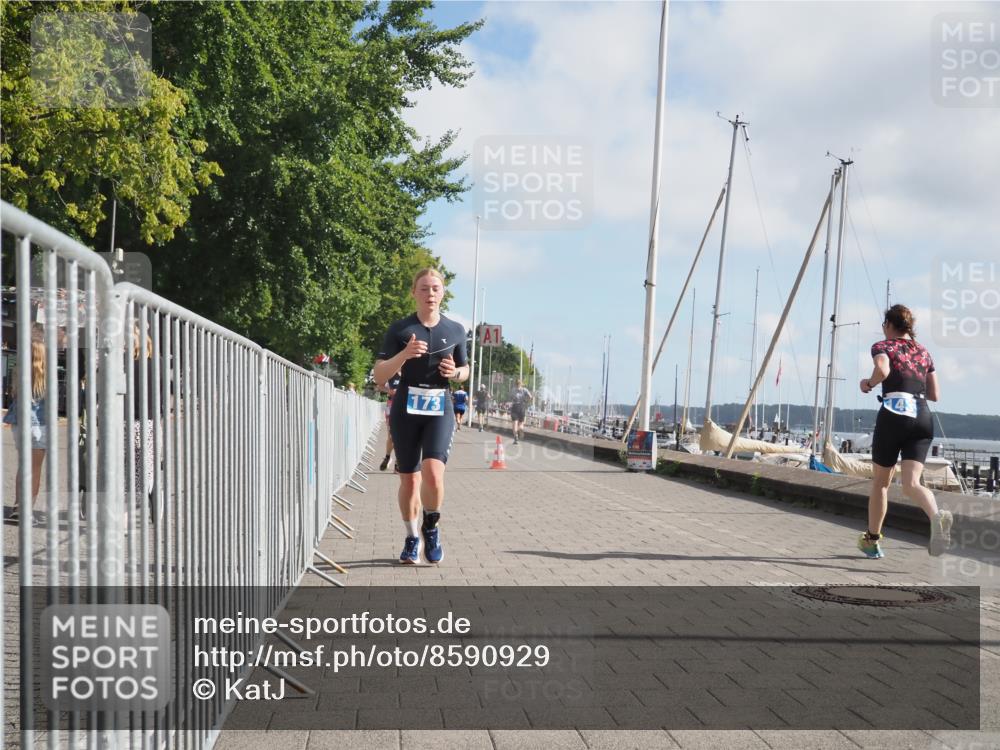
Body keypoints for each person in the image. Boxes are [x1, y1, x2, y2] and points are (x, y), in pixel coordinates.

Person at [373, 268, 470, 565]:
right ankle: (412, 537)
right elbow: (379, 376)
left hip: (439, 406)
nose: (430, 294)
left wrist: (455, 373)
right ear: (414, 292)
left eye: (435, 288)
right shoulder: (400, 329)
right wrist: (404, 355)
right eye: (424, 288)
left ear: (443, 293)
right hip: (406, 407)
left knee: (434, 474)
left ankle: (431, 526)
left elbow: (465, 370)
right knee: (410, 480)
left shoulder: (456, 329)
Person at [858, 304, 952, 558]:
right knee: (911, 484)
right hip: (922, 416)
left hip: (894, 414)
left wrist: (868, 383)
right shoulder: (924, 352)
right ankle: (936, 517)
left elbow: (882, 370)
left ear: (889, 325)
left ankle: (872, 541)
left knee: (881, 483)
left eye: (884, 326)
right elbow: (934, 394)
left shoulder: (883, 346)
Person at [3, 339, 48, 524]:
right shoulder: (46, 375)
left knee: (23, 466)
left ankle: (17, 506)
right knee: (35, 469)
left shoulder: (18, 372)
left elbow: (14, 395)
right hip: (39, 425)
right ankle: (26, 510)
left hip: (19, 423)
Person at [379, 372, 401, 472]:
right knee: (392, 435)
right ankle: (387, 457)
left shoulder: (411, 371)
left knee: (402, 436)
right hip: (392, 405)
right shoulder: (392, 372)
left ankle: (398, 463)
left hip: (407, 406)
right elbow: (380, 386)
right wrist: (390, 391)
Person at [509, 379, 533, 444]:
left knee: (514, 424)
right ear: (521, 384)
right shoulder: (524, 390)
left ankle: (515, 437)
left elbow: (511, 398)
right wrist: (527, 401)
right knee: (521, 423)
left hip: (514, 407)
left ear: (515, 383)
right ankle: (520, 429)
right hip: (522, 407)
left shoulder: (513, 390)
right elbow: (530, 397)